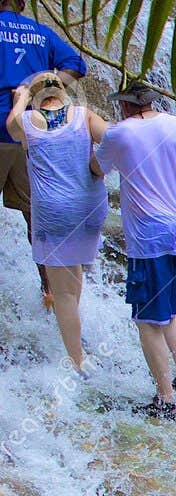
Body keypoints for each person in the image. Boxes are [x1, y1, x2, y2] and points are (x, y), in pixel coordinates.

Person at [96, 81, 176, 419]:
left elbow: (98, 169)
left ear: (125, 106)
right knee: (169, 309)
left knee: (146, 319)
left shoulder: (118, 134)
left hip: (148, 235)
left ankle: (165, 397)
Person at [6, 74, 106, 373]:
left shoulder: (30, 121)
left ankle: (77, 362)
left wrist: (20, 99)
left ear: (36, 97)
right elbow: (117, 142)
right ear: (63, 93)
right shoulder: (83, 115)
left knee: (61, 291)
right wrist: (99, 168)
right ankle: (76, 333)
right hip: (89, 208)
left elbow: (10, 127)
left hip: (55, 213)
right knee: (74, 273)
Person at [0, 0, 84, 305]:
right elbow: (77, 65)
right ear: (22, 4)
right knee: (34, 215)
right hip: (29, 133)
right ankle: (51, 291)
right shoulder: (41, 32)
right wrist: (44, 87)